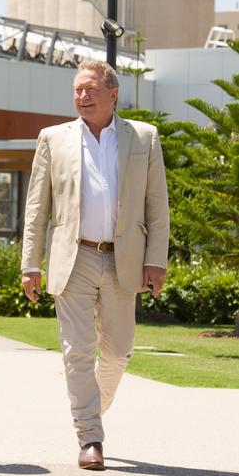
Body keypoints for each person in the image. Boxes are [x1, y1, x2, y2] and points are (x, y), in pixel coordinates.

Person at [21, 60, 169, 470]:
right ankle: (90, 436)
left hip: (125, 259)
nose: (82, 97)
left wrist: (156, 260)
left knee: (119, 351)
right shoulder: (53, 139)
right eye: (77, 90)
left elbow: (158, 207)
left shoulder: (144, 137)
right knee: (77, 351)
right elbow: (37, 208)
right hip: (74, 256)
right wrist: (29, 262)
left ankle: (91, 410)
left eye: (90, 90)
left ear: (113, 93)